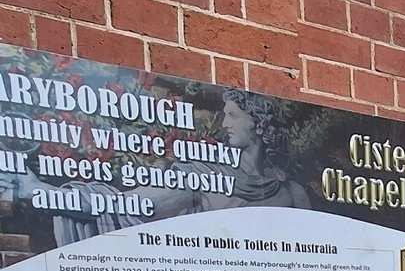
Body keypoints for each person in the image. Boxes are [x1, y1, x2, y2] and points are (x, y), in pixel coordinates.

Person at [0, 89, 311, 246]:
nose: (223, 123)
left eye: (232, 115)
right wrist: (40, 191)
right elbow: (129, 205)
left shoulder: (291, 192)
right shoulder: (202, 175)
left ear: (256, 122)